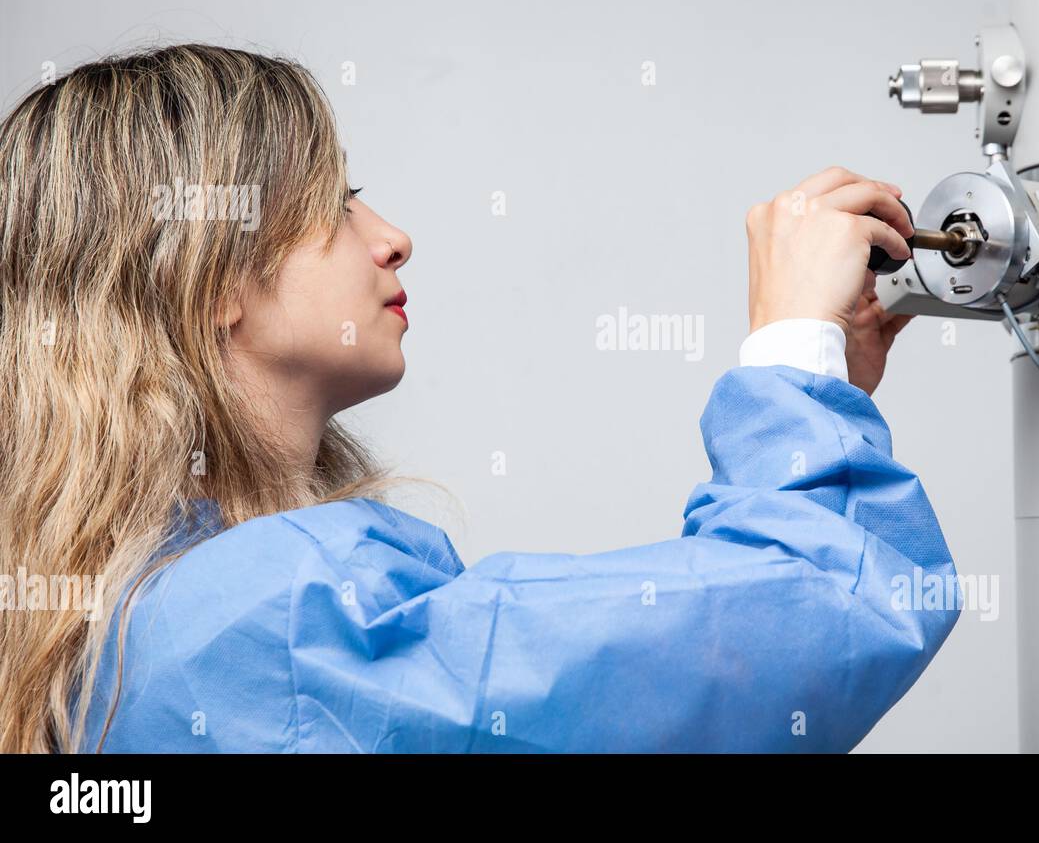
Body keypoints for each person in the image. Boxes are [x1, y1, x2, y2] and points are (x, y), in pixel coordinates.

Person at [0, 44, 958, 754]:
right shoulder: (267, 626)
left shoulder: (136, 632)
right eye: (334, 201)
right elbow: (802, 620)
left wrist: (825, 392)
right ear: (209, 278)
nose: (391, 237)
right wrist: (789, 354)